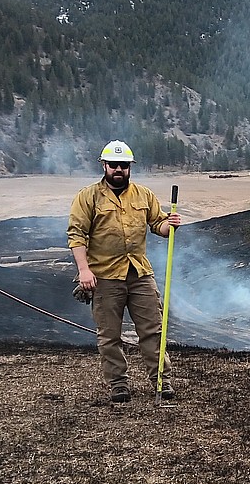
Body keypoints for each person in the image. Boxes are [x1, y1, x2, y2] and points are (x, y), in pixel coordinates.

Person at [68, 140, 181, 404]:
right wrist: (84, 270)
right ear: (104, 166)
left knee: (153, 329)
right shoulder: (88, 197)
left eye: (124, 165)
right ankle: (118, 385)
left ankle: (161, 381)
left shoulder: (143, 195)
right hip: (104, 276)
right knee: (109, 334)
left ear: (130, 167)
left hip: (139, 273)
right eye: (114, 165)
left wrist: (171, 225)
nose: (119, 169)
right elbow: (76, 235)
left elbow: (159, 226)